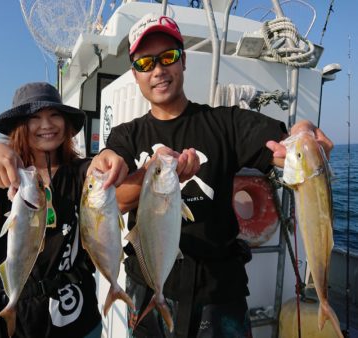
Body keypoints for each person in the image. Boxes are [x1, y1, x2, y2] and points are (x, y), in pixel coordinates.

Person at [91, 13, 334, 338]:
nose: (159, 70)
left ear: (183, 61)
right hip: (150, 284)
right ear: (135, 74)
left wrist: (304, 135)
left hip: (220, 290)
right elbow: (116, 201)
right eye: (146, 63)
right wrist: (152, 173)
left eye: (168, 57)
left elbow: (283, 150)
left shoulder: (227, 123)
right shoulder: (126, 136)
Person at [0, 82, 126, 338]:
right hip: (15, 319)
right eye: (34, 118)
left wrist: (106, 157)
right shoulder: (11, 175)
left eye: (55, 115)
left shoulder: (81, 173)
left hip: (75, 315)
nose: (46, 125)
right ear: (19, 127)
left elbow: (98, 170)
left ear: (66, 123)